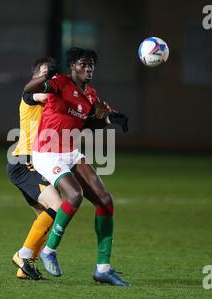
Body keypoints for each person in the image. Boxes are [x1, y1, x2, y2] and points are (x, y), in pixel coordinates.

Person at [23, 47, 131, 286]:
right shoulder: (59, 83)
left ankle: (103, 269)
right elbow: (28, 90)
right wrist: (45, 76)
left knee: (105, 200)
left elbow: (91, 122)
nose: (89, 68)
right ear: (72, 66)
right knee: (74, 195)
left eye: (92, 64)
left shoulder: (90, 95)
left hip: (69, 152)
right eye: (84, 63)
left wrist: (112, 119)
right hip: (47, 152)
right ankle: (49, 250)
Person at [8, 57, 63, 280]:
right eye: (43, 72)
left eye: (51, 73)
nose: (47, 76)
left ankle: (25, 267)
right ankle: (23, 255)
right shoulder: (31, 95)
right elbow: (46, 96)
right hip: (24, 163)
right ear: (34, 77)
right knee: (58, 206)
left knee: (46, 216)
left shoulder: (49, 101)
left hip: (33, 163)